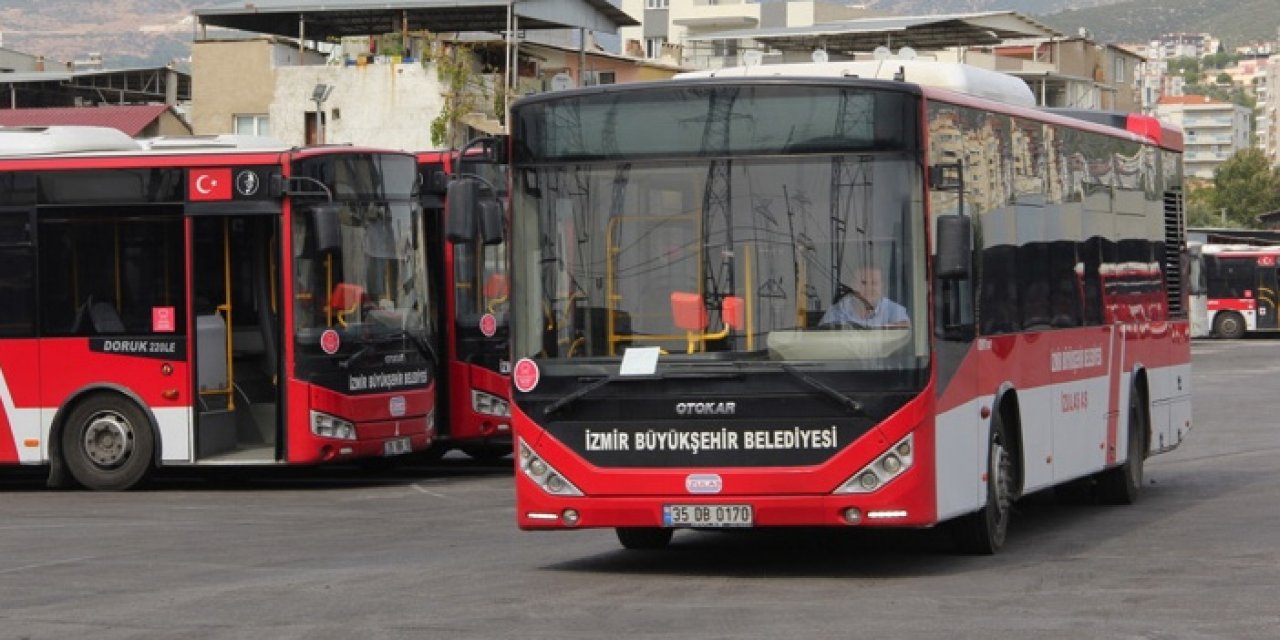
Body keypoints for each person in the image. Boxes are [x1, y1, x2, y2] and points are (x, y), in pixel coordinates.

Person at [819, 265, 909, 328]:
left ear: (882, 287)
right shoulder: (837, 311)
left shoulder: (895, 311)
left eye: (874, 283)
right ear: (853, 285)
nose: (869, 288)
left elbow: (904, 343)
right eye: (863, 283)